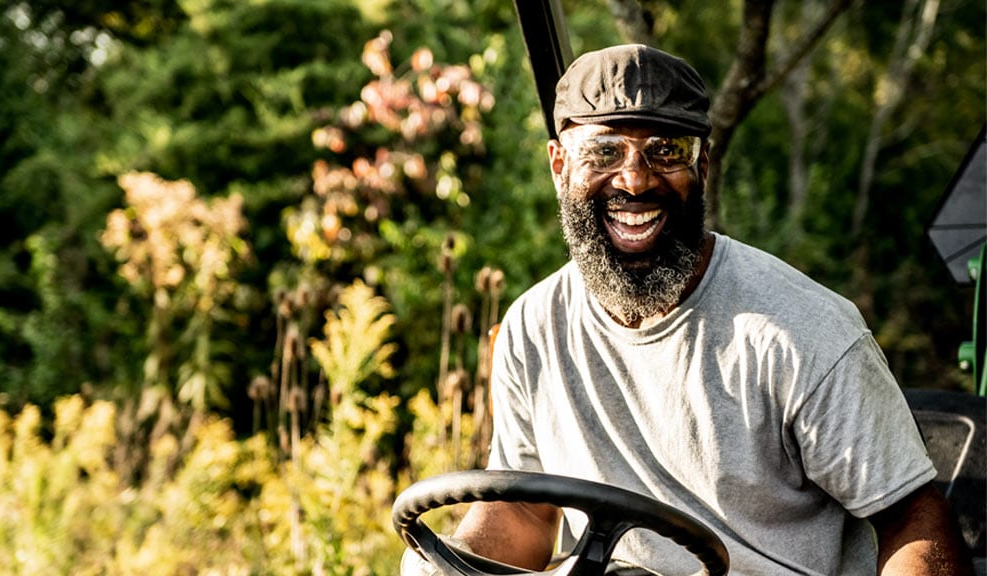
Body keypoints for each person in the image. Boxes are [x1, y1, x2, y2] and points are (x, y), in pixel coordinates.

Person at [402, 44, 973, 575]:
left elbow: (913, 520)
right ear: (559, 166)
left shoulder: (801, 334)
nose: (635, 179)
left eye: (666, 151)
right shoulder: (533, 327)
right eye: (604, 150)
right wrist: (454, 562)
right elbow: (525, 516)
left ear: (702, 167)